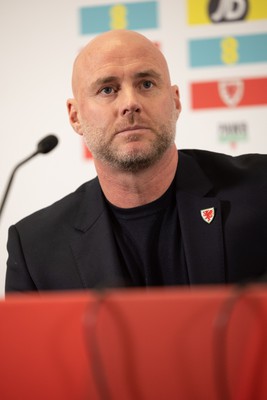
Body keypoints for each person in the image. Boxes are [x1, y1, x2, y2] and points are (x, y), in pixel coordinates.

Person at [5, 29, 267, 292]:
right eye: (107, 89)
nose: (130, 103)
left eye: (146, 84)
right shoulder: (34, 248)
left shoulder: (259, 191)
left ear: (175, 102)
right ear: (75, 117)